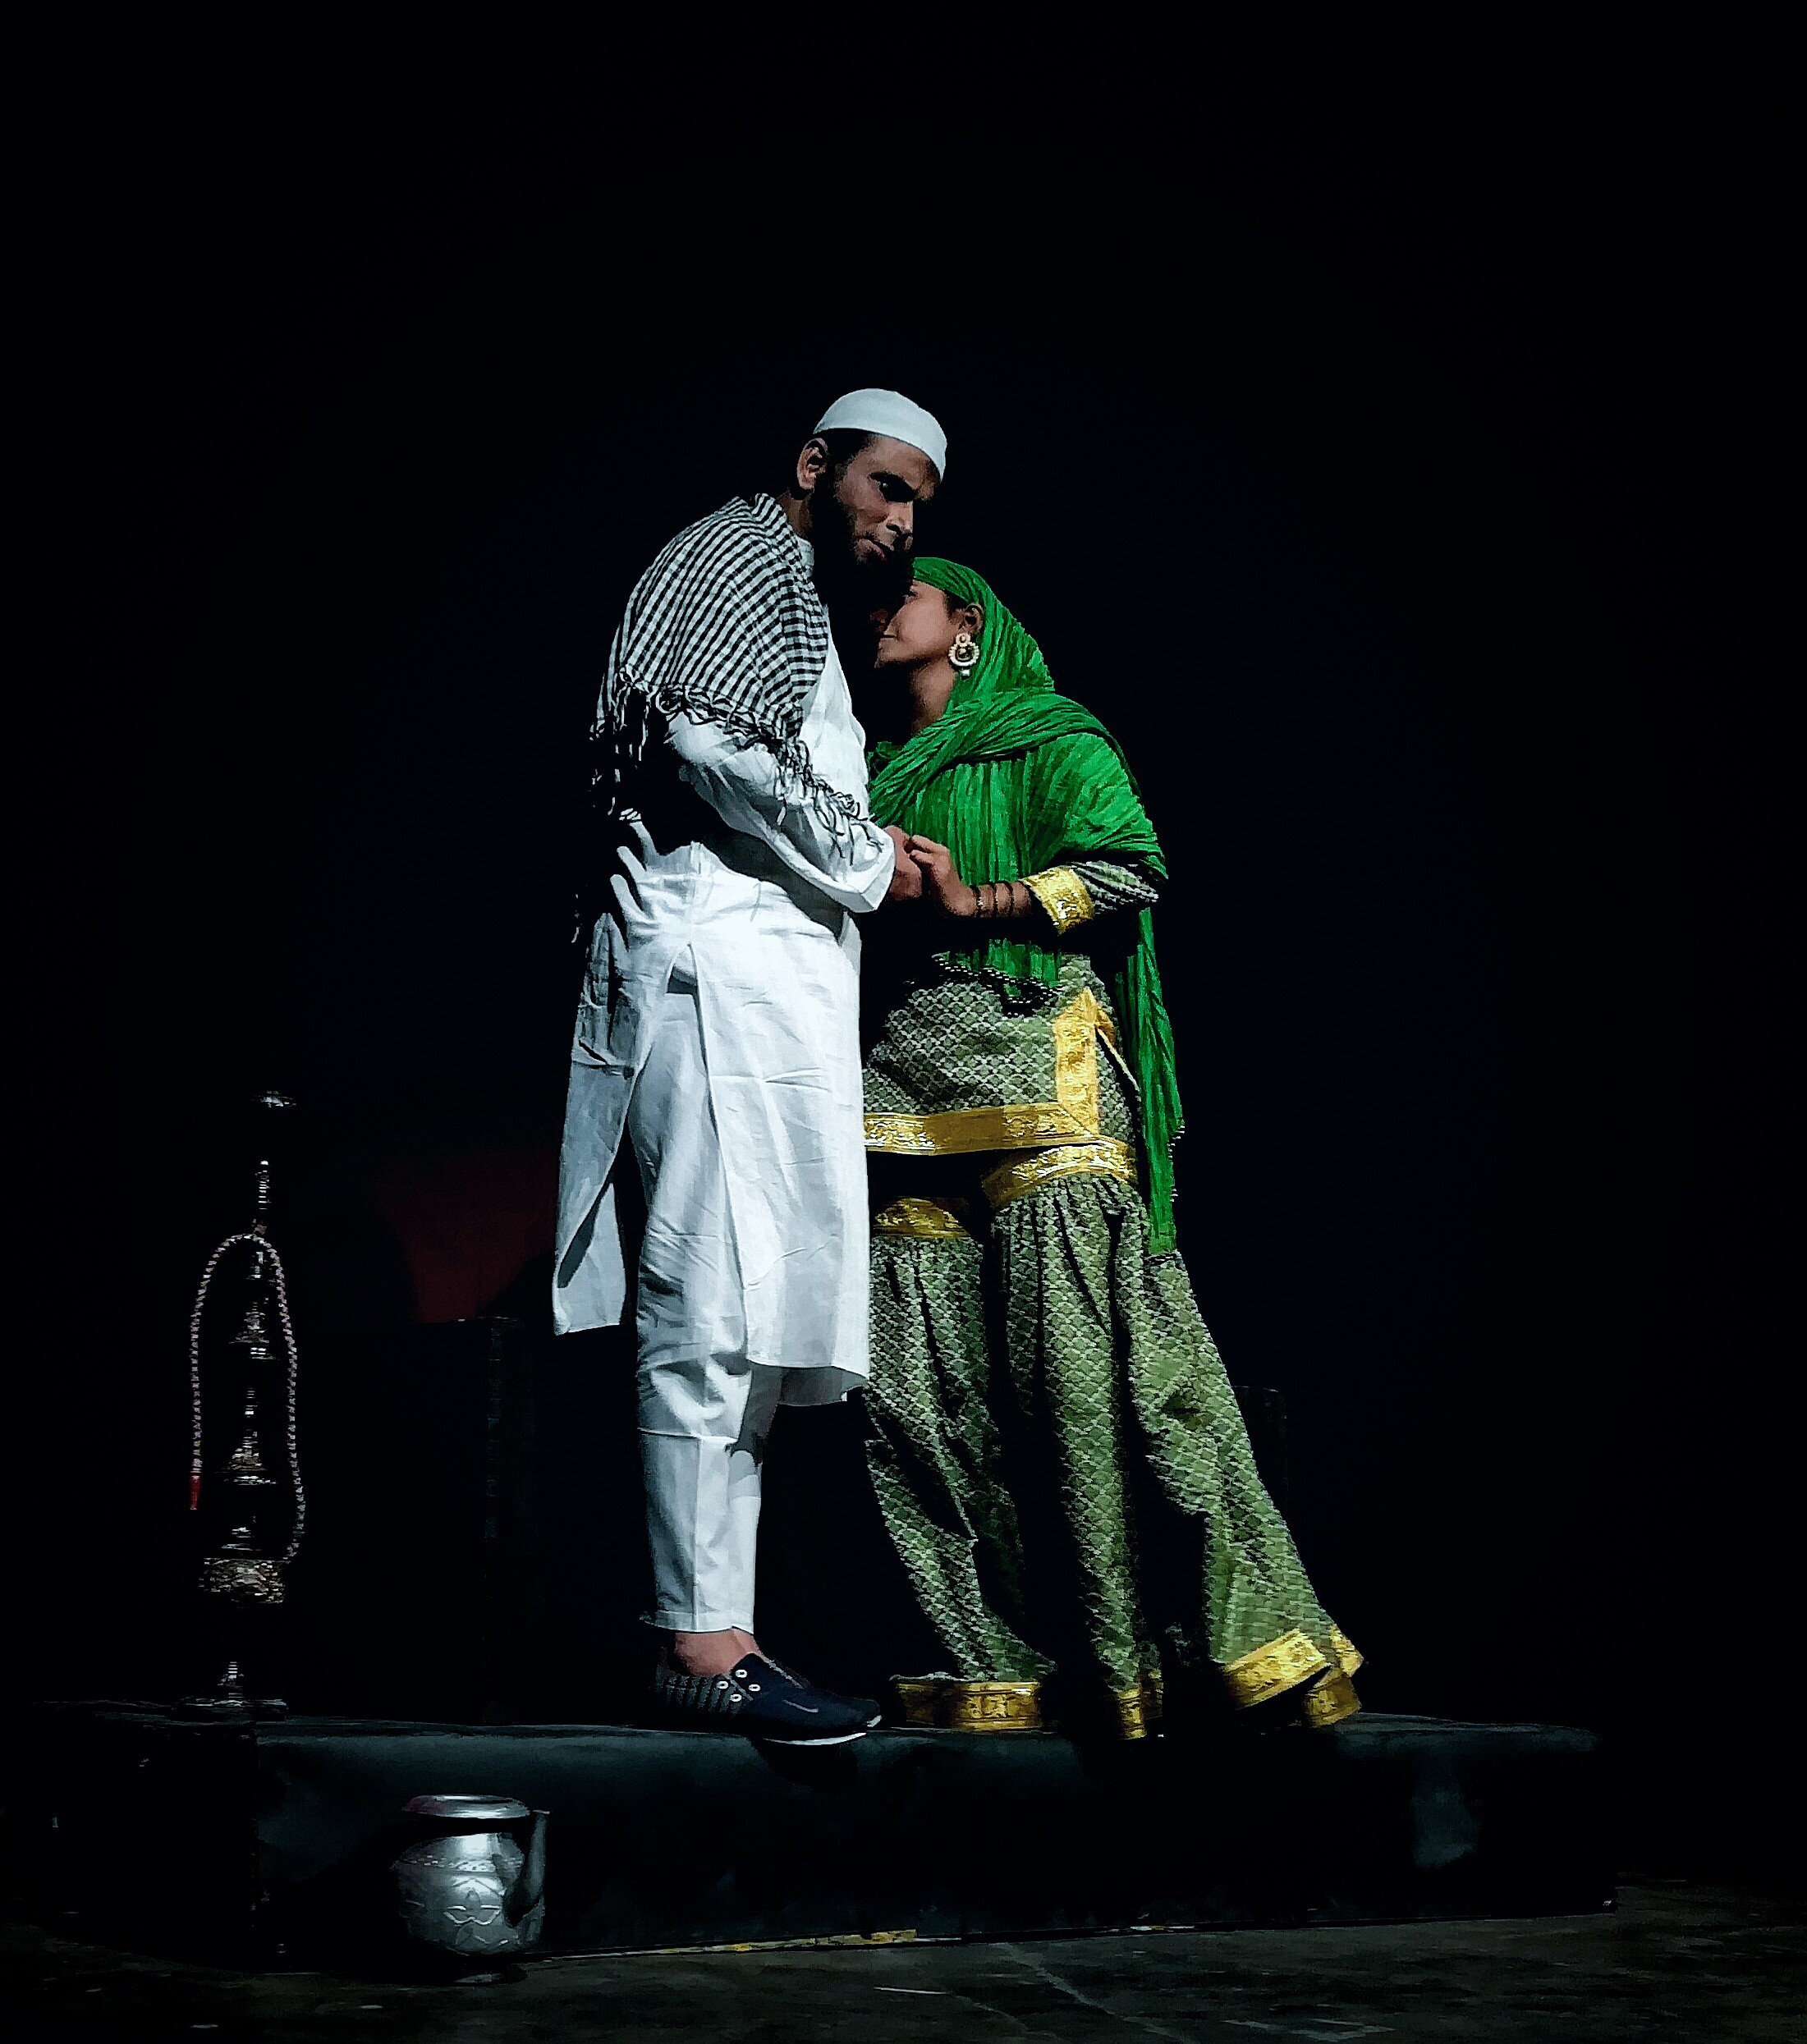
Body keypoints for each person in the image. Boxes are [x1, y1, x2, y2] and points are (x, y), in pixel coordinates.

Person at [859, 559, 1361, 1739]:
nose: (879, 609)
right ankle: (987, 1662)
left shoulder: (1051, 735)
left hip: (1042, 1069)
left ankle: (1173, 1656)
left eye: (907, 595)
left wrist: (975, 902)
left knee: (1091, 1381)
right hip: (893, 1084)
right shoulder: (855, 764)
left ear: (967, 627)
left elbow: (1130, 868)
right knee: (916, 1393)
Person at [553, 392, 945, 1744]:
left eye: (919, 504)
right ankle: (697, 1638)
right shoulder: (735, 552)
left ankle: (723, 1625)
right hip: (709, 978)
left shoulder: (798, 599)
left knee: (758, 1319)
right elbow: (708, 741)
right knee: (707, 1301)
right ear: (813, 464)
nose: (901, 520)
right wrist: (867, 856)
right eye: (886, 486)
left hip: (770, 997)